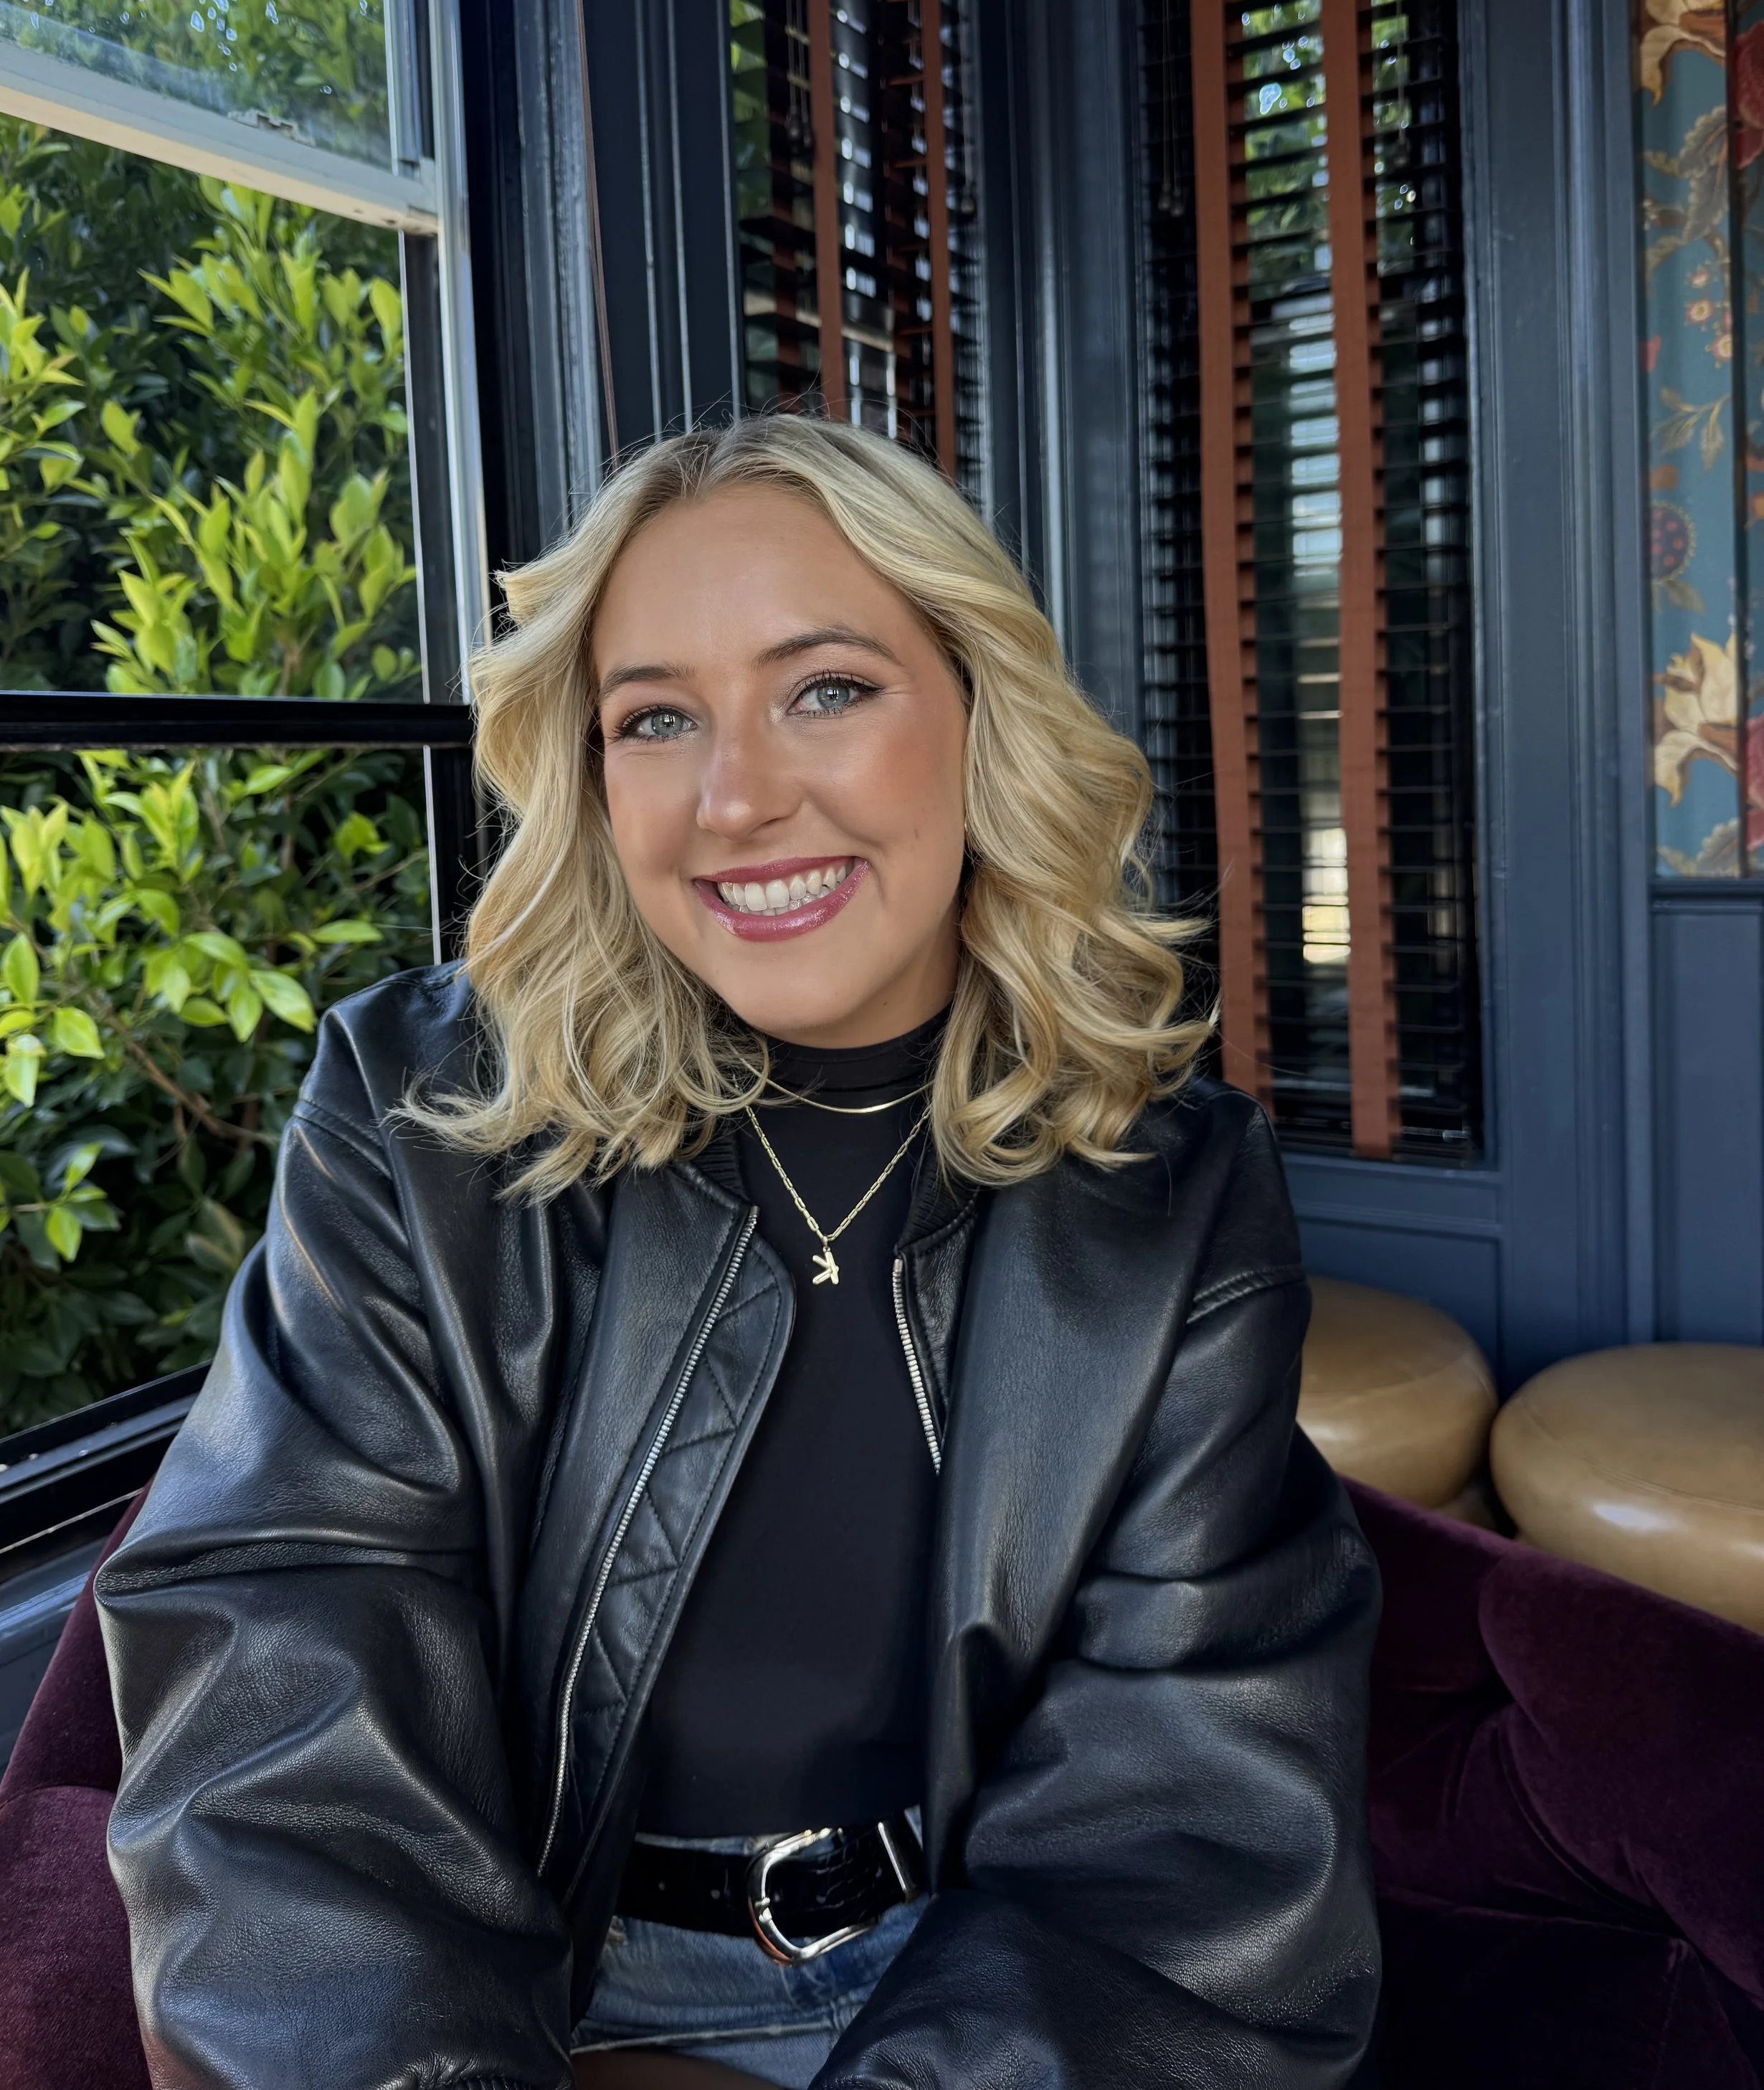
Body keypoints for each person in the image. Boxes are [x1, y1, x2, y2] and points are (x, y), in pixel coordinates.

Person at [96, 416, 1380, 2090]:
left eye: (826, 688)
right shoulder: (419, 1124)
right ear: (593, 773)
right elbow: (280, 1682)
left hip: (990, 1978)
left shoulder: (1173, 1190)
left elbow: (1181, 1834)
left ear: (975, 710)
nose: (736, 796)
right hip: (539, 1980)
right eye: (656, 718)